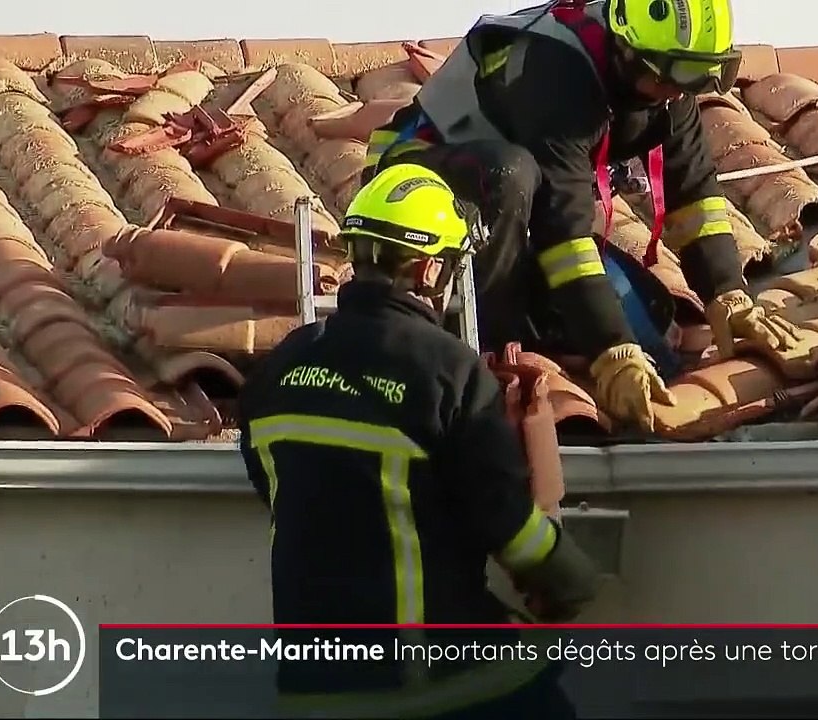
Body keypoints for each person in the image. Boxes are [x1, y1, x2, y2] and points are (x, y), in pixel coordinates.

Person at [237, 163, 600, 718]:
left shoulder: (281, 366)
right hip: (429, 678)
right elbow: (506, 525)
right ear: (431, 268)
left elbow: (281, 487)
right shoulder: (447, 371)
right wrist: (571, 576)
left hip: (309, 686)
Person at [362, 0, 799, 433]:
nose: (679, 89)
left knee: (655, 333)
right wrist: (611, 350)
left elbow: (695, 192)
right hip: (418, 183)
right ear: (626, 52)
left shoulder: (670, 84)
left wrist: (728, 293)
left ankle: (534, 321)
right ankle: (492, 350)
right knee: (511, 174)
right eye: (672, 74)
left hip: (515, 212)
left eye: (701, 74)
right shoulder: (557, 73)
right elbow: (564, 233)